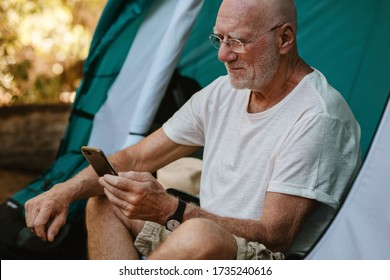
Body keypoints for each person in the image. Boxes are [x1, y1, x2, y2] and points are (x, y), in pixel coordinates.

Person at [24, 0, 361, 260]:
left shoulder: (318, 116)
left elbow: (277, 234)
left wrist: (173, 211)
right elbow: (138, 156)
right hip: (199, 231)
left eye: (238, 41)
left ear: (285, 38)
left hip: (271, 258)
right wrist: (61, 192)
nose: (223, 54)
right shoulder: (223, 92)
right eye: (219, 38)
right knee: (106, 201)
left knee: (200, 235)